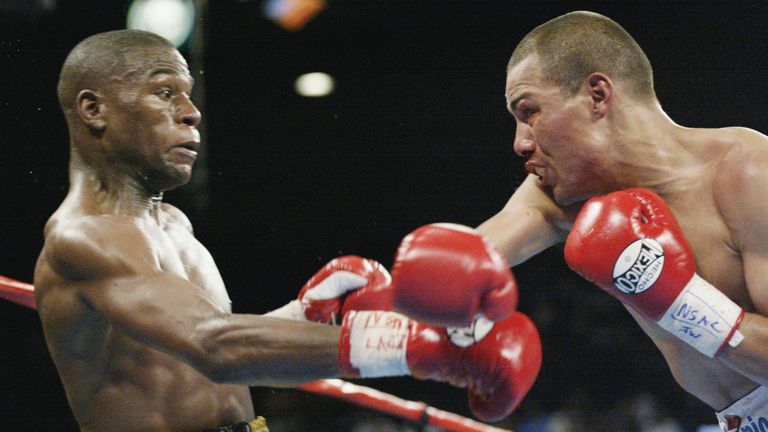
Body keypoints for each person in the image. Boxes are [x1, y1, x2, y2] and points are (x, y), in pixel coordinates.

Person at [33, 29, 542, 431]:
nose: (191, 113)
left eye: (187, 96)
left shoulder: (170, 224)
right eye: (165, 93)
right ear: (93, 109)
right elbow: (218, 348)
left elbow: (223, 363)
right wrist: (425, 349)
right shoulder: (82, 238)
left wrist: (302, 315)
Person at [387, 10, 768, 432]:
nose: (520, 142)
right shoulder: (566, 195)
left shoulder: (748, 174)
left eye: (529, 111)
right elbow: (457, 263)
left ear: (598, 95)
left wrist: (682, 302)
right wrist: (372, 314)